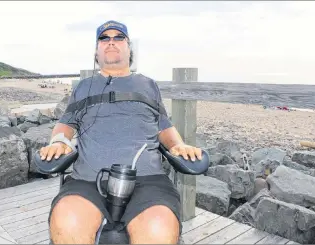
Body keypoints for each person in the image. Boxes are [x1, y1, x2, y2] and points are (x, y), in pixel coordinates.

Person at [39, 20, 203, 244]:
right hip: (88, 179)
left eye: (119, 37)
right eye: (104, 38)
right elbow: (66, 123)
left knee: (158, 228)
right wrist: (59, 141)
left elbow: (164, 125)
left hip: (147, 180)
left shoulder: (148, 85)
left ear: (129, 48)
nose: (111, 42)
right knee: (67, 221)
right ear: (96, 51)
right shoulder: (83, 86)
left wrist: (177, 146)